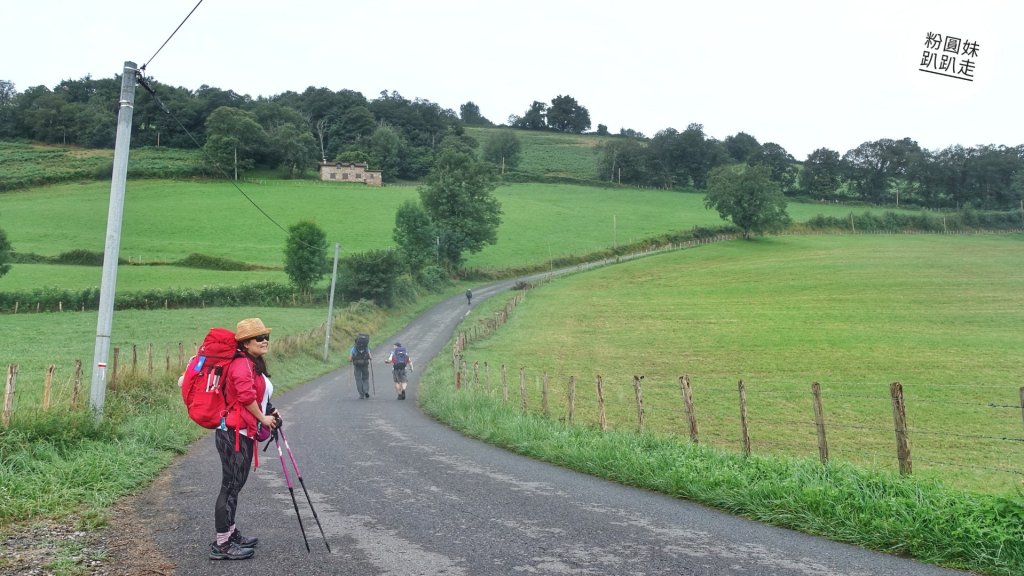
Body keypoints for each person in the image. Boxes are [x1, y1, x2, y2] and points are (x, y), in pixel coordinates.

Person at [210, 317, 281, 561]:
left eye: (266, 337)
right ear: (245, 343)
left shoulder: (252, 363)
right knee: (230, 486)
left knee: (235, 486)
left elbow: (257, 395)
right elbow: (244, 395)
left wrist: (269, 411)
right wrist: (262, 418)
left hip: (241, 432)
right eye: (259, 338)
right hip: (233, 434)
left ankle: (230, 533)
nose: (264, 341)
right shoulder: (241, 365)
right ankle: (221, 544)